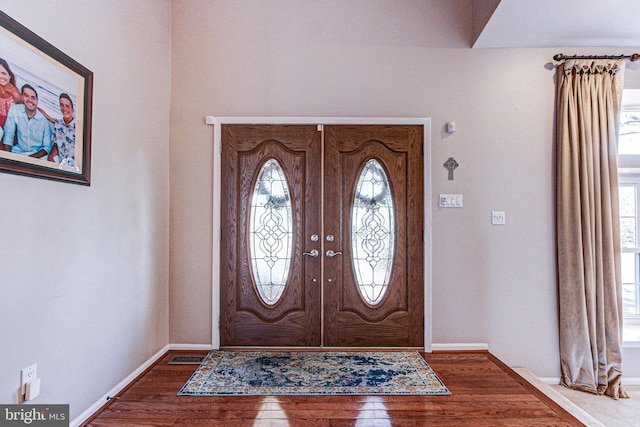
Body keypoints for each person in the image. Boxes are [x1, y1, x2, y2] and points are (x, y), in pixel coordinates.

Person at [1, 84, 52, 158]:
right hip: (17, 150)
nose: (30, 100)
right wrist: (8, 156)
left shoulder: (44, 121)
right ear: (22, 97)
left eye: (33, 97)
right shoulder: (14, 110)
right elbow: (9, 133)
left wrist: (31, 158)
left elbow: (47, 147)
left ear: (37, 101)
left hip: (36, 154)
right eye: (26, 95)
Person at [48, 93, 76, 167]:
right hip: (61, 164)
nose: (64, 109)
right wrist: (51, 156)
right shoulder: (58, 124)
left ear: (72, 110)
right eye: (62, 105)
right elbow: (56, 145)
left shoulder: (78, 127)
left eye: (67, 106)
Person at [0, 58, 22, 128]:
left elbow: (29, 106)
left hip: (10, 128)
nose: (1, 76)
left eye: (3, 73)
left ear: (9, 76)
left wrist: (48, 117)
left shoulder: (14, 92)